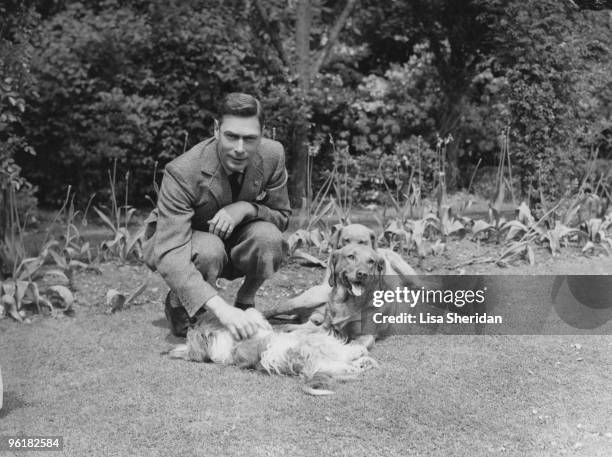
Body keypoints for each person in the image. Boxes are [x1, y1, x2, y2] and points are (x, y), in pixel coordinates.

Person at [142, 93, 291, 340]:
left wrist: (247, 208)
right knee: (209, 250)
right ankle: (181, 304)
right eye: (231, 136)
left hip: (235, 238)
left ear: (262, 133)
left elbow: (282, 216)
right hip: (185, 242)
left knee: (269, 238)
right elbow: (170, 252)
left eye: (250, 138)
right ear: (216, 129)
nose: (240, 149)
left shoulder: (273, 155)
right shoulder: (182, 171)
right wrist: (222, 309)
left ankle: (245, 302)